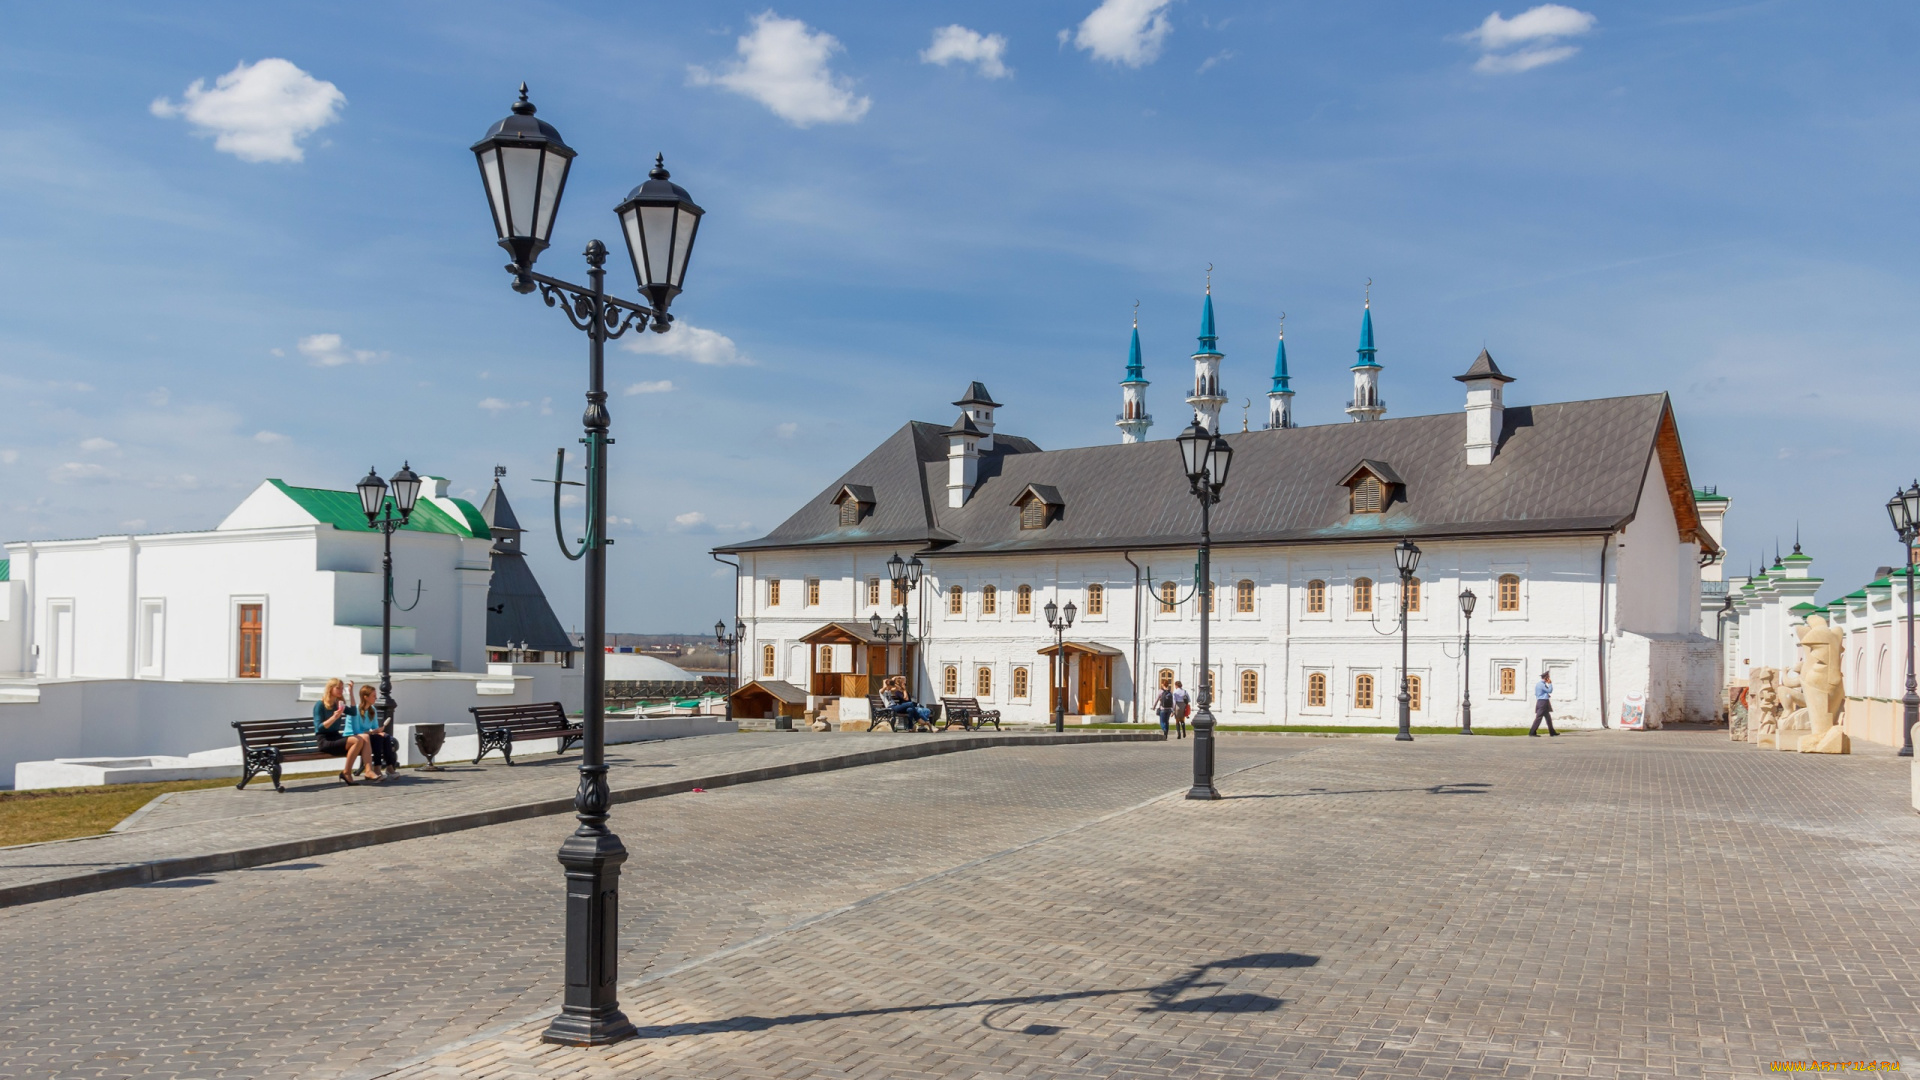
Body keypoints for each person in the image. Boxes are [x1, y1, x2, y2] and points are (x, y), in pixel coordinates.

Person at [313, 678, 371, 783]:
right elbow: (319, 728)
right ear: (330, 689)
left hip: (336, 737)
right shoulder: (320, 705)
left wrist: (351, 692)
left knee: (364, 737)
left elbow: (353, 712)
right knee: (357, 740)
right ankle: (347, 773)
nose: (341, 690)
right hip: (325, 740)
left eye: (342, 688)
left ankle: (368, 771)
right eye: (338, 688)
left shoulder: (338, 704)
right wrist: (334, 718)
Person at [349, 683, 397, 779]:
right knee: (377, 739)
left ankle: (389, 767)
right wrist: (373, 732)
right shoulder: (357, 710)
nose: (376, 698)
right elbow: (357, 731)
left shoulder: (372, 710)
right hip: (355, 737)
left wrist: (379, 731)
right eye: (373, 696)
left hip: (367, 736)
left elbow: (375, 727)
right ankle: (377, 768)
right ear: (365, 697)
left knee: (385, 737)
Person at [1530, 670, 1558, 737]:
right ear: (1546, 678)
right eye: (1548, 677)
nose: (1549, 678)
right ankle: (1532, 732)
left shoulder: (1539, 684)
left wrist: (1546, 694)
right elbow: (1549, 690)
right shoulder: (1541, 685)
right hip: (1543, 702)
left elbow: (1540, 693)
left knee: (1548, 718)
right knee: (1538, 717)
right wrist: (1550, 683)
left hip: (1543, 701)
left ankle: (1552, 732)